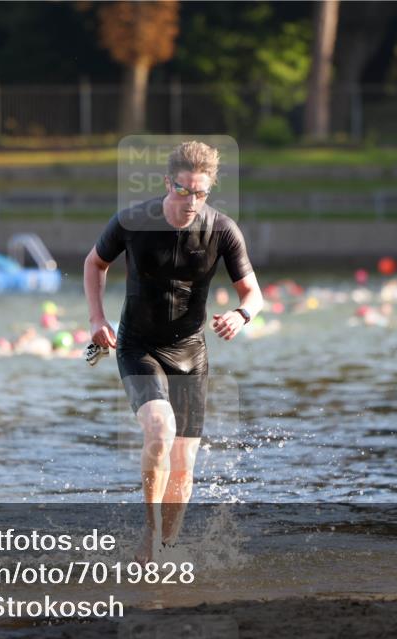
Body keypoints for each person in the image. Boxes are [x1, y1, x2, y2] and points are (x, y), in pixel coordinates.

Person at [83, 141, 263, 563]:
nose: (191, 202)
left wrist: (241, 315)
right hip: (138, 346)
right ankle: (149, 540)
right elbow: (95, 264)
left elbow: (253, 293)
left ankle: (165, 547)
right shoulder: (132, 221)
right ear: (168, 183)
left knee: (183, 465)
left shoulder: (221, 230)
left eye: (200, 193)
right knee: (160, 431)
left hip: (191, 353)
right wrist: (97, 320)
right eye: (184, 191)